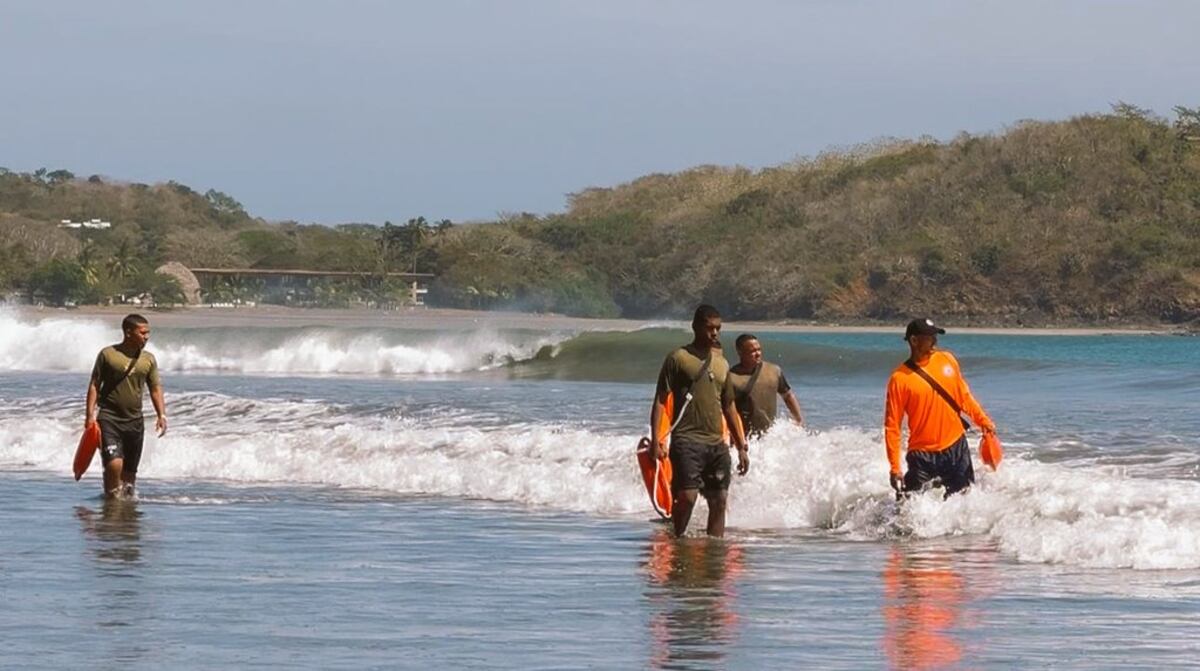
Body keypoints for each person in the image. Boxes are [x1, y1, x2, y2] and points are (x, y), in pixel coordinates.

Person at [651, 305, 749, 537]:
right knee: (687, 497)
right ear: (695, 327)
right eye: (709, 328)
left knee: (720, 500)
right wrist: (656, 439)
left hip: (716, 443)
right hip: (687, 440)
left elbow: (729, 406)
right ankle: (676, 540)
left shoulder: (722, 363)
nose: (714, 333)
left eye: (718, 329)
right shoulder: (678, 358)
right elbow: (660, 401)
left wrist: (741, 445)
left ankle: (715, 548)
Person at [883, 318, 996, 498]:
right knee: (909, 513)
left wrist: (983, 421)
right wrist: (895, 468)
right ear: (914, 341)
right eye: (929, 337)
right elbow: (892, 426)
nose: (935, 341)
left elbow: (964, 397)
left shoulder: (947, 359)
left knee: (963, 502)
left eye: (935, 336)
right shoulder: (899, 379)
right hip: (922, 456)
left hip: (956, 447)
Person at [84, 314, 167, 499]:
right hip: (109, 418)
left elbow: (155, 388)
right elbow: (95, 384)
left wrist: (162, 415)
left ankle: (126, 507)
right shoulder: (108, 354)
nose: (146, 337)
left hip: (135, 421)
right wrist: (89, 416)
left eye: (148, 333)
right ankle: (112, 500)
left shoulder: (148, 359)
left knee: (130, 473)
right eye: (142, 333)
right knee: (114, 464)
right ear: (128, 332)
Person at [728, 333, 804, 437]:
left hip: (769, 438)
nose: (758, 353)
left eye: (759, 349)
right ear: (740, 352)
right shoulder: (731, 377)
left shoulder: (773, 371)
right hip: (746, 436)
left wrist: (799, 420)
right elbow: (726, 409)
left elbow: (788, 395)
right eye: (752, 351)